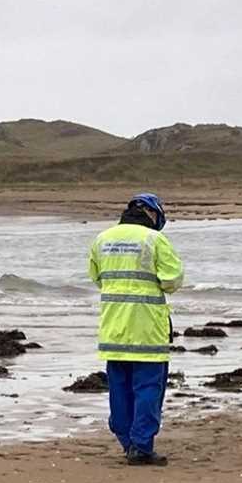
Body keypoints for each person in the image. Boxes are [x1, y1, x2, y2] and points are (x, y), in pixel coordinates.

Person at [88, 193, 184, 466]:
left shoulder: (102, 239)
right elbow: (172, 280)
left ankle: (127, 441)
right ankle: (141, 446)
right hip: (147, 330)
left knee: (119, 390)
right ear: (153, 215)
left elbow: (96, 278)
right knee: (148, 389)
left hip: (113, 329)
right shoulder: (154, 240)